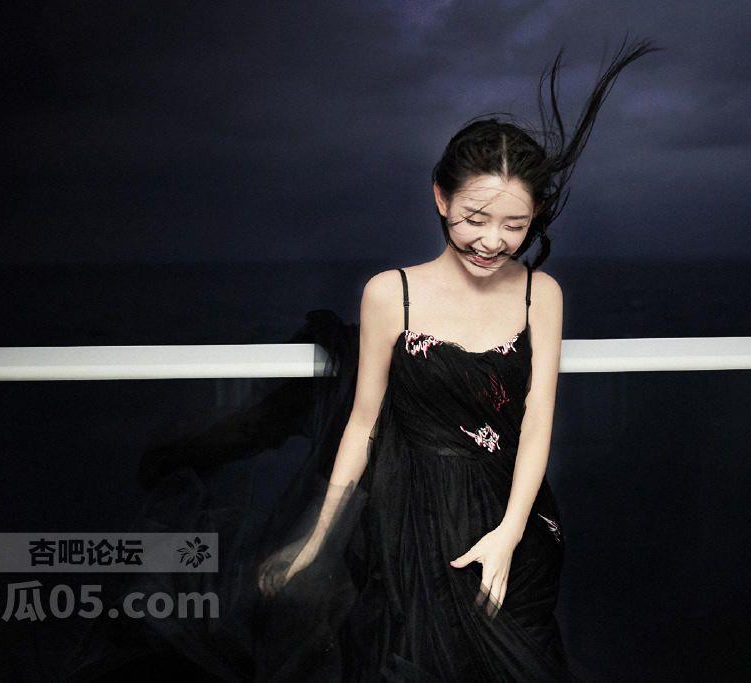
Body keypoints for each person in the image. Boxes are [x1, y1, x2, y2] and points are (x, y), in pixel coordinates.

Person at [63, 34, 659, 683]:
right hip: (415, 526)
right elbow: (362, 423)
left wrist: (511, 533)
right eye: (474, 218)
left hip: (514, 522)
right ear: (440, 197)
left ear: (534, 216)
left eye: (514, 226)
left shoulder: (541, 294)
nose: (492, 241)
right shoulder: (390, 293)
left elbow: (538, 420)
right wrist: (317, 538)